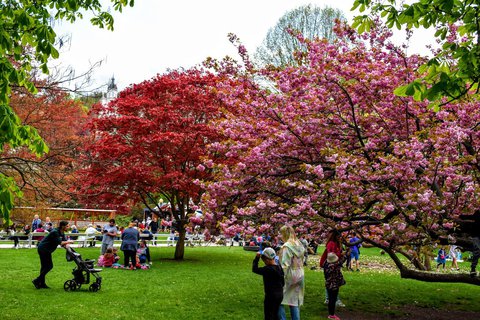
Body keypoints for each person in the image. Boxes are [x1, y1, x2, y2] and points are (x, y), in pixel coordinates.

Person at [32, 221, 73, 289]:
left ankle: (41, 283)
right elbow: (60, 242)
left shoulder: (62, 232)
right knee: (49, 266)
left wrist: (68, 247)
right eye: (67, 226)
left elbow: (64, 243)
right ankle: (37, 280)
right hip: (44, 249)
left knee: (44, 267)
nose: (68, 227)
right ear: (62, 226)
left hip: (46, 250)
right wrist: (69, 241)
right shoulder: (55, 232)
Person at [278, 226, 305, 320]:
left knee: (278, 299)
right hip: (300, 272)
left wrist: (280, 277)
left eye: (281, 233)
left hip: (290, 274)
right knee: (293, 300)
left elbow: (285, 264)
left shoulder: (287, 247)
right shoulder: (299, 244)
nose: (280, 236)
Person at [253, 247, 285, 320]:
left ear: (267, 259)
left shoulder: (268, 269)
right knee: (275, 313)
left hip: (271, 296)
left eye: (264, 260)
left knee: (269, 315)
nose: (264, 262)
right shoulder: (279, 267)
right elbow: (283, 282)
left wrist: (256, 258)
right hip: (279, 294)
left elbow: (254, 269)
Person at [320, 230, 345, 307]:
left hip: (335, 265)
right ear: (336, 236)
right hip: (329, 265)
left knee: (332, 282)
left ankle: (329, 299)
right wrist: (340, 254)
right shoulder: (331, 243)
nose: (340, 238)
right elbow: (330, 254)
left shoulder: (337, 244)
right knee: (332, 283)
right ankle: (334, 300)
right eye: (339, 237)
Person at [324, 252, 346, 320]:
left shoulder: (326, 265)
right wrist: (346, 255)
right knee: (333, 300)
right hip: (334, 285)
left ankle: (331, 314)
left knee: (331, 299)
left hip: (328, 284)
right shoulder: (334, 266)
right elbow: (341, 262)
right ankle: (331, 315)